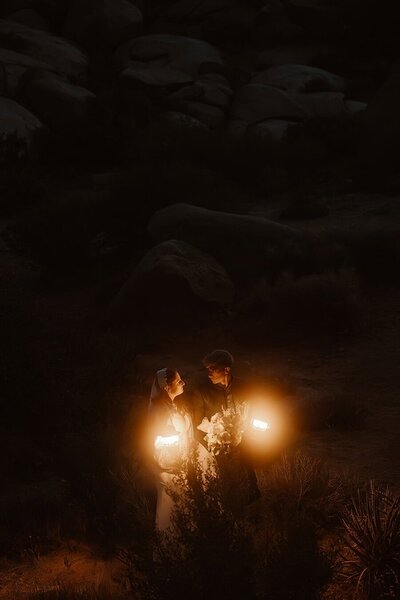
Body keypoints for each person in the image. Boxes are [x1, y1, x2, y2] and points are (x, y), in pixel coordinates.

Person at [148, 368, 214, 532]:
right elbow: (157, 442)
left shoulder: (175, 405)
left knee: (186, 505)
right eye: (178, 381)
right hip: (172, 466)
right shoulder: (160, 411)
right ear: (166, 387)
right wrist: (173, 449)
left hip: (186, 462)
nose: (183, 382)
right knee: (172, 505)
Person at [191, 349, 261, 503]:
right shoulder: (202, 392)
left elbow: (254, 414)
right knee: (224, 496)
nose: (209, 373)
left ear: (226, 369)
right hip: (217, 456)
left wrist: (252, 432)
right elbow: (197, 427)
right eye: (207, 369)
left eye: (213, 369)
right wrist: (216, 447)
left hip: (245, 450)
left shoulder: (245, 387)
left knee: (249, 492)